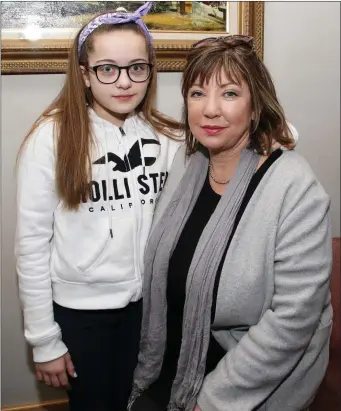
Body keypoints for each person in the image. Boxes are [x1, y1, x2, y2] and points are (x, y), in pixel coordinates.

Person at [129, 35, 333, 411]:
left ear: (255, 106)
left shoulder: (295, 188)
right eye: (196, 93)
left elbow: (293, 320)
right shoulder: (185, 165)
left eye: (229, 94)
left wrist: (211, 400)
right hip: (169, 363)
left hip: (243, 382)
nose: (209, 110)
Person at [15, 3, 182, 411]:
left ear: (150, 71)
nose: (124, 82)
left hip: (150, 311)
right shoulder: (51, 138)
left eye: (137, 68)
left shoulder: (166, 137)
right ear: (85, 74)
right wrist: (44, 341)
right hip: (82, 317)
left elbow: (233, 132)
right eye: (108, 68)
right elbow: (32, 246)